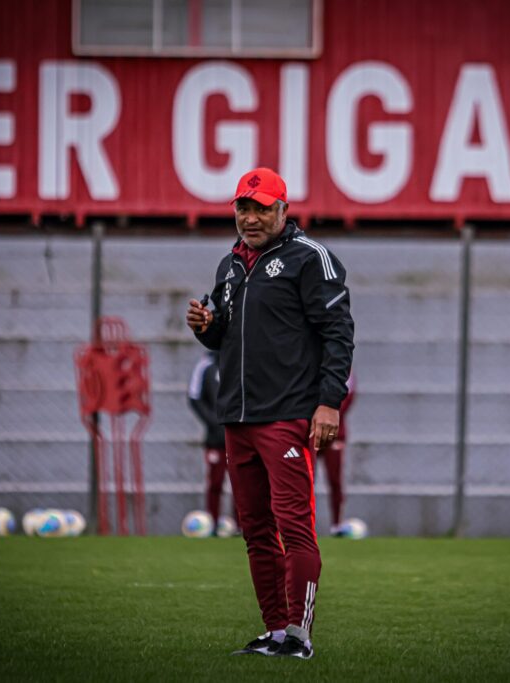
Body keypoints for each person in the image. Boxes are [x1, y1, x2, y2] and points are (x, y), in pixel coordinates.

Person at [186, 167, 354, 660]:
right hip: (237, 419)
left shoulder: (311, 259)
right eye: (244, 207)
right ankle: (275, 631)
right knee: (256, 531)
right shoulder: (230, 265)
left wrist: (329, 402)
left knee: (294, 527)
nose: (251, 217)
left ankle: (299, 638)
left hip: (287, 414)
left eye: (262, 208)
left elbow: (338, 334)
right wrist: (205, 326)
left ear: (284, 210)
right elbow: (222, 339)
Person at [187, 349, 238, 534]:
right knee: (215, 482)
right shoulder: (205, 364)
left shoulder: (241, 357)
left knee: (242, 482)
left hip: (240, 434)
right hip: (215, 438)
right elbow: (194, 397)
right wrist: (214, 421)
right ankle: (212, 524)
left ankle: (242, 526)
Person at [318, 371, 355, 536]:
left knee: (335, 480)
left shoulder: (344, 370)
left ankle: (336, 524)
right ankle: (302, 524)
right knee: (303, 479)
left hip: (335, 433)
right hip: (311, 430)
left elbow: (348, 397)